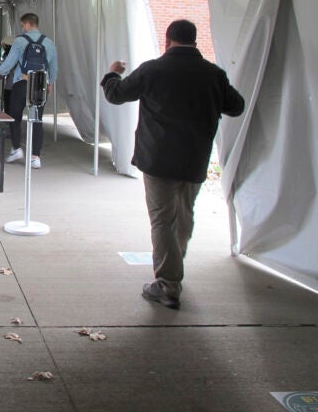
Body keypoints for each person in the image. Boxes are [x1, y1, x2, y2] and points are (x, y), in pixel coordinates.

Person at [101, 19, 244, 309]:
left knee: (162, 220)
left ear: (167, 41)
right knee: (183, 216)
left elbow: (116, 95)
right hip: (194, 159)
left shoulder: (154, 69)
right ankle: (173, 273)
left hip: (159, 159)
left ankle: (167, 284)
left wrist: (111, 74)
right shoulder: (213, 74)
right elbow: (236, 106)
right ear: (195, 41)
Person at [0, 13, 58, 169]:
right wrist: (50, 83)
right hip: (40, 84)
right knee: (37, 119)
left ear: (26, 24)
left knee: (14, 115)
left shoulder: (20, 41)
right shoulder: (49, 43)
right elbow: (54, 67)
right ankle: (35, 157)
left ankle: (16, 148)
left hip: (22, 82)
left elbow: (9, 64)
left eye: (22, 25)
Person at [0, 35, 15, 112]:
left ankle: (9, 123)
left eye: (4, 45)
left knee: (8, 108)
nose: (3, 47)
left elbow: (3, 72)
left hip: (10, 86)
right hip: (20, 86)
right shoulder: (18, 55)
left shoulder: (7, 56)